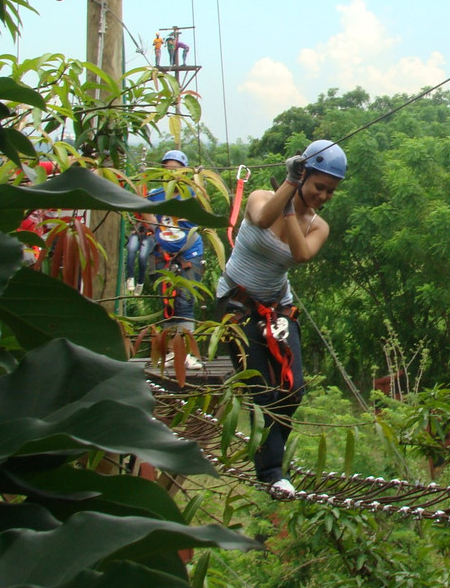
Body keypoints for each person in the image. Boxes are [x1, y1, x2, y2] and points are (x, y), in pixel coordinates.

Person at [215, 139, 346, 493]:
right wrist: (288, 189)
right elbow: (259, 217)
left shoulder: (317, 226)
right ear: (303, 176)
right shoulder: (260, 196)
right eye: (319, 187)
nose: (323, 196)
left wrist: (292, 210)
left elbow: (301, 255)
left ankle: (273, 460)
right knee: (262, 388)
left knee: (293, 388)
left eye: (330, 192)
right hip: (237, 303)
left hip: (277, 306)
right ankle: (271, 472)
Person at [147, 149, 205, 369]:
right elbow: (145, 211)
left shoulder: (192, 193)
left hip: (189, 252)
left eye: (176, 170)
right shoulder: (154, 194)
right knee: (167, 302)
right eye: (167, 169)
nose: (171, 174)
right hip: (163, 253)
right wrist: (155, 229)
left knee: (185, 299)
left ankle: (185, 352)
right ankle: (171, 352)